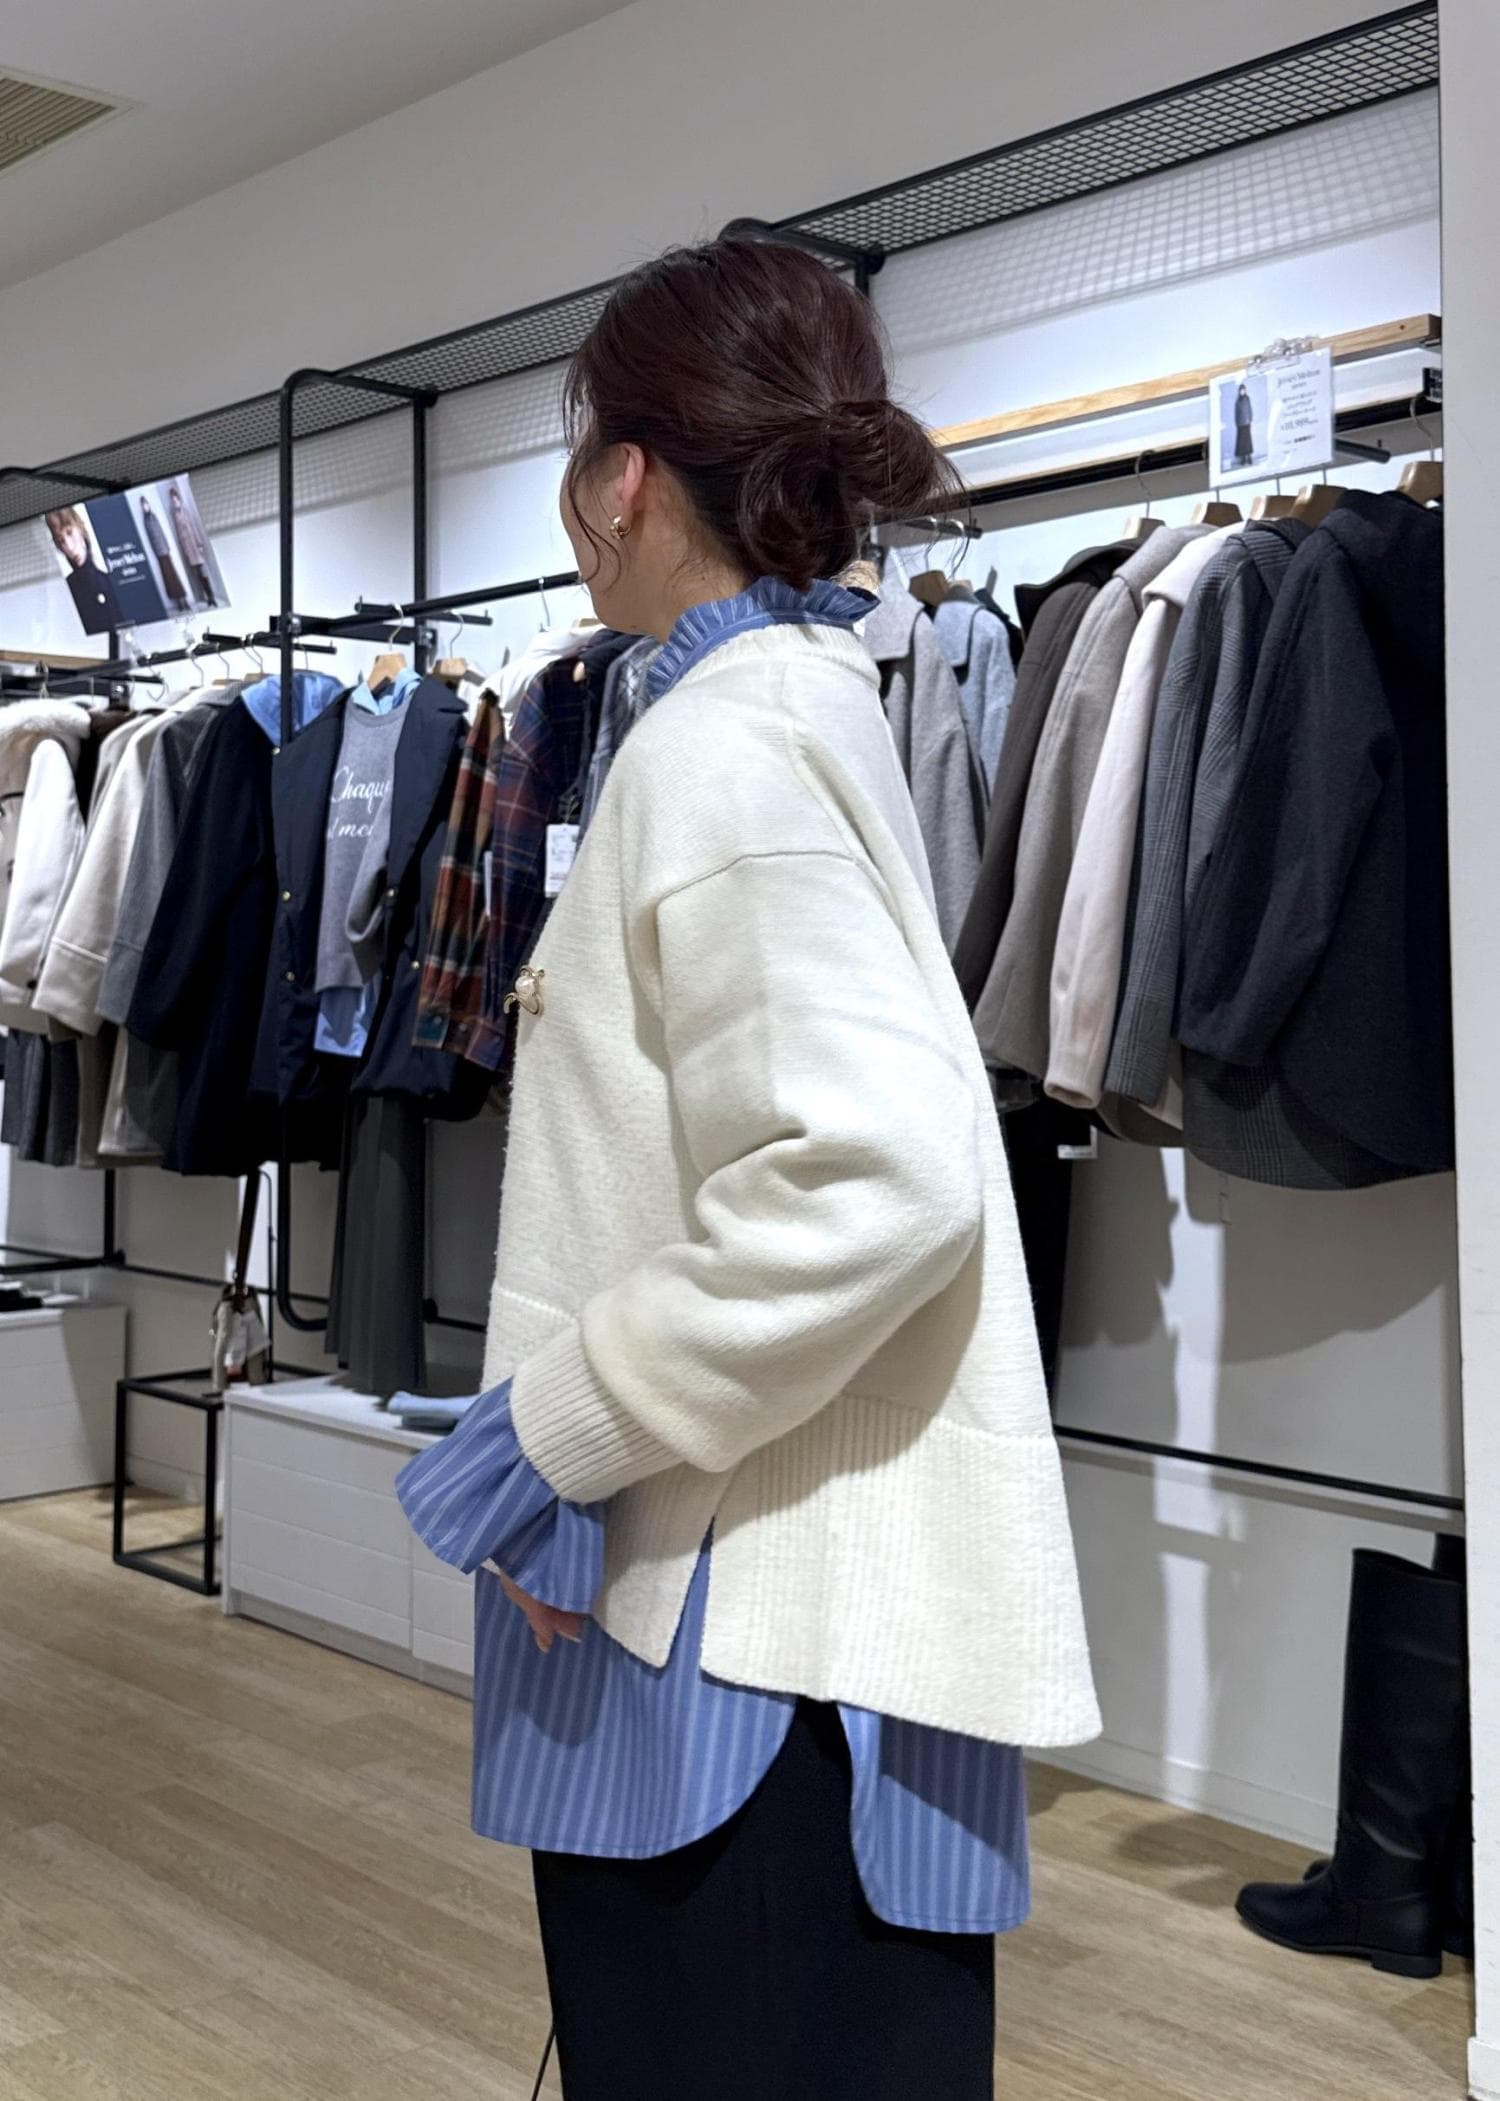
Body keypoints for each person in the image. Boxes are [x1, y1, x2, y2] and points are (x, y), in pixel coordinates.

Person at [395, 237, 1098, 2101]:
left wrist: (558, 1430)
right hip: (767, 1614)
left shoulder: (727, 747)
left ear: (624, 476)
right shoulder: (790, 709)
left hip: (753, 1656)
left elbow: (872, 1175)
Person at [44, 506, 123, 632]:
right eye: (61, 540)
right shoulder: (65, 593)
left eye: (69, 533)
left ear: (80, 529)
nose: (69, 547)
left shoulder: (111, 581)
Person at [138, 495, 190, 613]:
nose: (145, 507)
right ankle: (179, 603)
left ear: (148, 505)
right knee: (168, 578)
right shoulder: (145, 520)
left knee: (174, 576)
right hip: (159, 554)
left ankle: (184, 600)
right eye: (143, 506)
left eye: (146, 504)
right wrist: (155, 552)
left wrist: (167, 547)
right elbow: (149, 538)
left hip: (165, 551)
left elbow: (161, 532)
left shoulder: (154, 517)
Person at [167, 482, 216, 607]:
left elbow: (194, 528)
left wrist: (199, 544)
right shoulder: (175, 515)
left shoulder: (185, 511)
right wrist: (186, 551)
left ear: (179, 499)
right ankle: (207, 598)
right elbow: (179, 535)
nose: (174, 502)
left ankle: (211, 597)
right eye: (172, 501)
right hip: (188, 548)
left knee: (203, 573)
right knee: (197, 575)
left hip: (195, 545)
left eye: (175, 499)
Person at [1234, 380, 1255, 466]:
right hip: (1240, 424)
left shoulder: (1247, 399)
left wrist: (1250, 418)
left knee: (1248, 440)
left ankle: (1249, 457)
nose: (1242, 391)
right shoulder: (1237, 401)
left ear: (1245, 390)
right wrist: (1237, 422)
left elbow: (1250, 409)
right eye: (1241, 390)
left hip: (1247, 422)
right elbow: (1236, 413)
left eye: (1243, 390)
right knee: (1241, 441)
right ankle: (1243, 458)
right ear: (1239, 391)